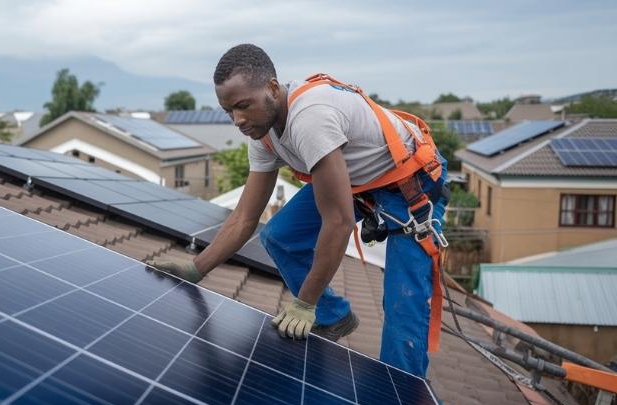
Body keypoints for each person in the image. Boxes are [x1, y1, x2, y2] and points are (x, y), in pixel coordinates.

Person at [152, 43, 448, 378]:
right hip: (356, 181)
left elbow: (338, 222)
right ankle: (333, 315)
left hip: (410, 184)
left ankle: (401, 402)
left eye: (243, 105)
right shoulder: (262, 134)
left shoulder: (310, 119)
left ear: (273, 89)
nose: (237, 120)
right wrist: (196, 269)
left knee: (402, 304)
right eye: (228, 111)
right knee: (279, 237)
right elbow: (245, 218)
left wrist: (303, 303)